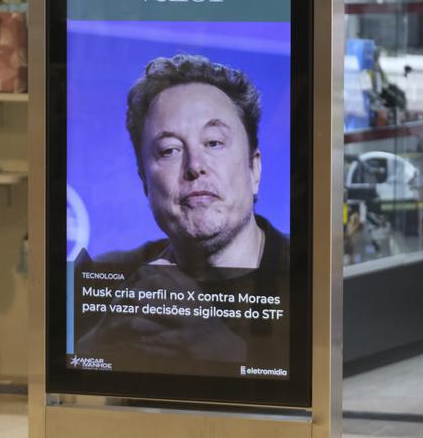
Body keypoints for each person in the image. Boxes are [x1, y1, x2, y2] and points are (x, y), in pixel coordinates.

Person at [74, 54, 289, 372]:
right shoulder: (109, 274)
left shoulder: (311, 275)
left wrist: (224, 351)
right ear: (144, 180)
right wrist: (101, 339)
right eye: (170, 150)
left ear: (254, 167)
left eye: (214, 142)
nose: (195, 166)